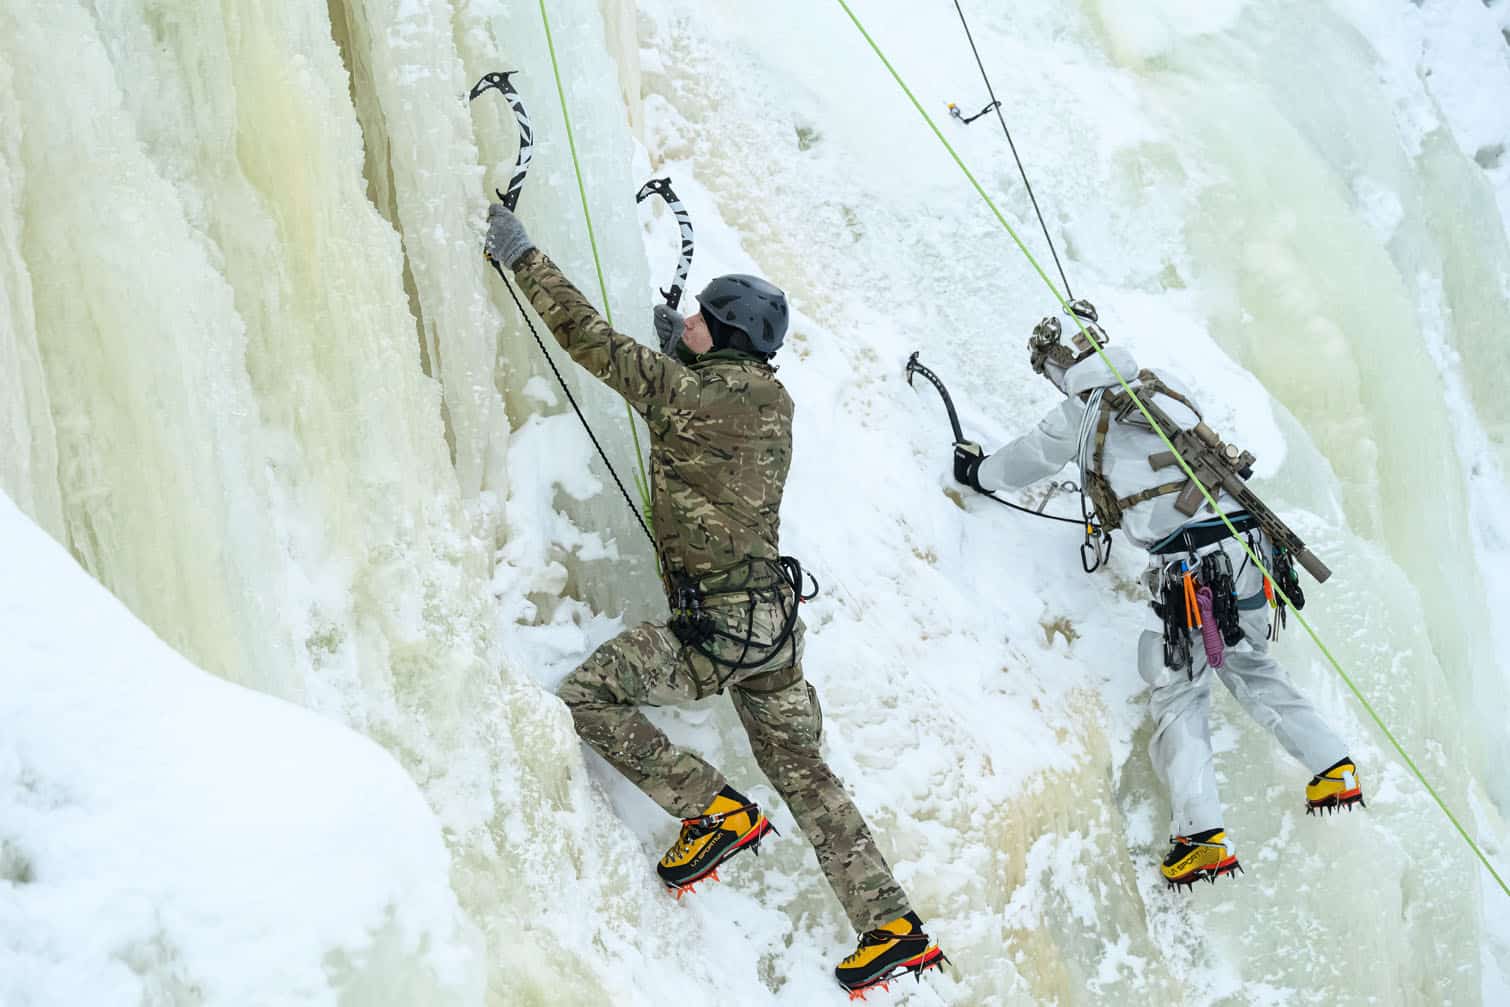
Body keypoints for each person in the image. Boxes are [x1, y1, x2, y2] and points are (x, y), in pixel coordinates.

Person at [484, 204, 946, 991]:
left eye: (701, 317)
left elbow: (588, 338)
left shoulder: (683, 394)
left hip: (718, 630)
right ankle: (891, 924)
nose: (687, 318)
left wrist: (522, 255)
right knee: (806, 773)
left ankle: (714, 809)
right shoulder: (774, 405)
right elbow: (715, 408)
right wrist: (686, 359)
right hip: (775, 628)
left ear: (724, 334)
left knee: (590, 695)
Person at [951, 303, 1364, 888]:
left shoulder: (1082, 409)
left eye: (1047, 366)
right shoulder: (1163, 386)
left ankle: (1201, 835)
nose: (1050, 376)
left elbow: (1024, 462)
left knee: (1179, 691)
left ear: (1060, 361)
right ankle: (1333, 766)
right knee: (1249, 663)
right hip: (1249, 548)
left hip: (1192, 567)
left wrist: (975, 473)